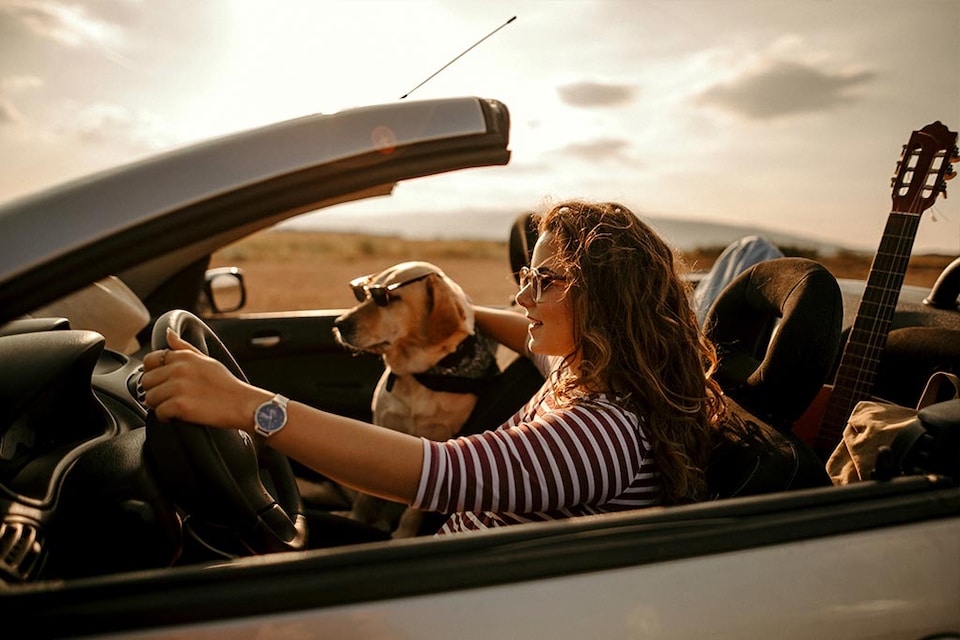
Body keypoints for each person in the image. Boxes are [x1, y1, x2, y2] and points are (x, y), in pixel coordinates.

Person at [141, 200, 726, 535]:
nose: (523, 299)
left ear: (607, 300)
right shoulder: (583, 373)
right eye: (525, 279)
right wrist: (463, 312)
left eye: (544, 282)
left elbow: (435, 472)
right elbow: (528, 340)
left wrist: (248, 406)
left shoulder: (601, 434)